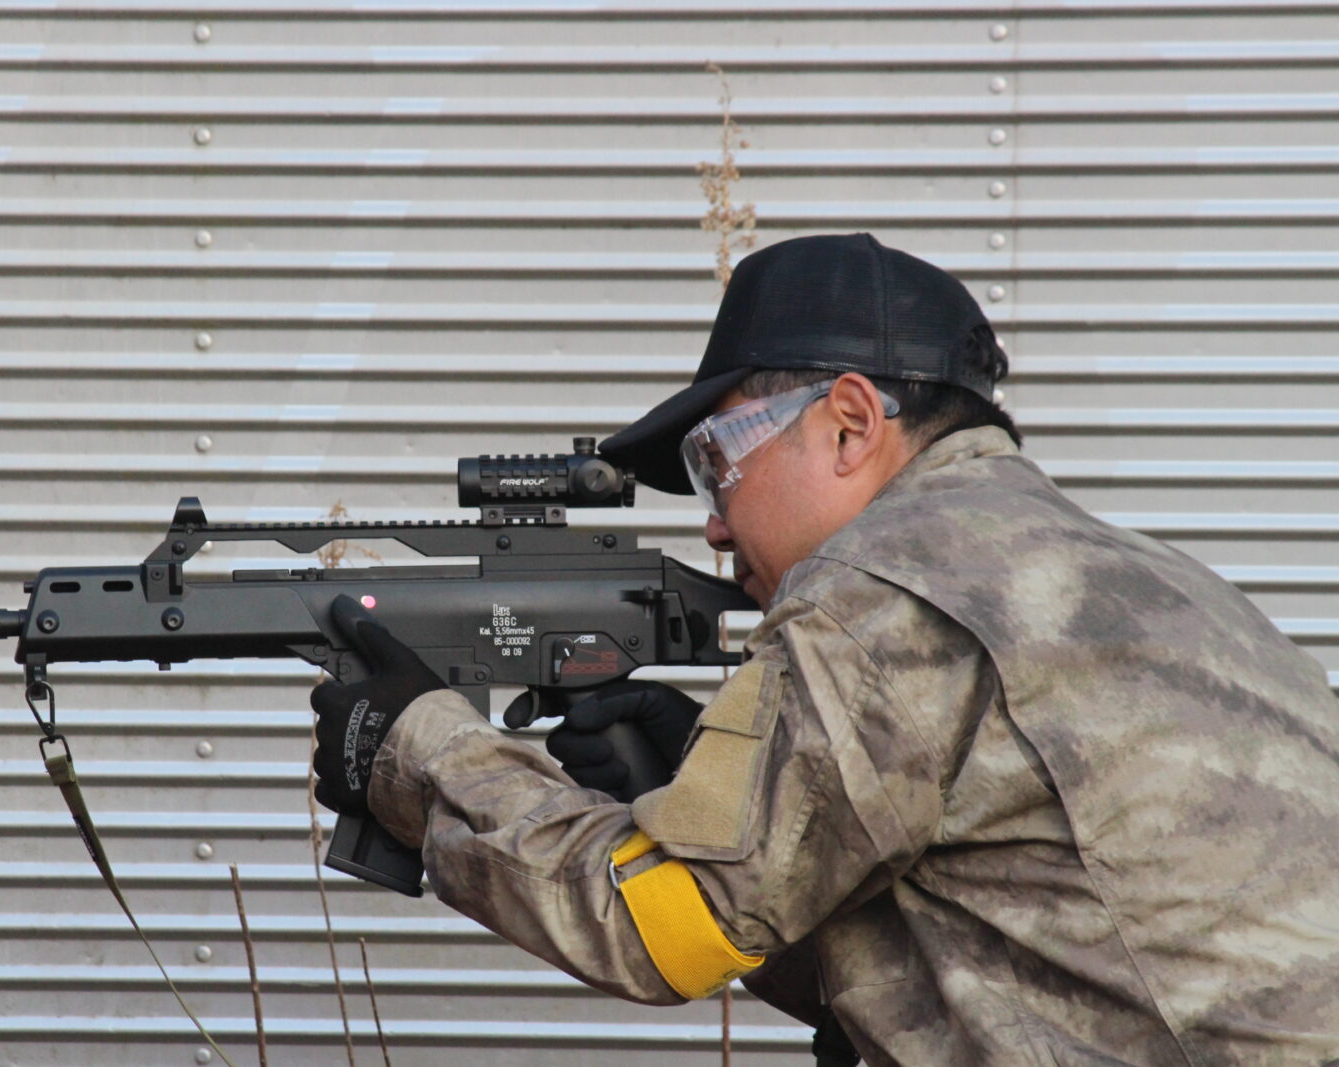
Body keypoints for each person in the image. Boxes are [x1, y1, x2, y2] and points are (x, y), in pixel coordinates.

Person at [309, 234, 1339, 1065]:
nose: (714, 523)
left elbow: (661, 930)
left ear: (848, 425)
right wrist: (710, 786)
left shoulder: (881, 590)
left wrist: (421, 752)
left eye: (715, 459)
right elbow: (993, 960)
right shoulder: (1143, 577)